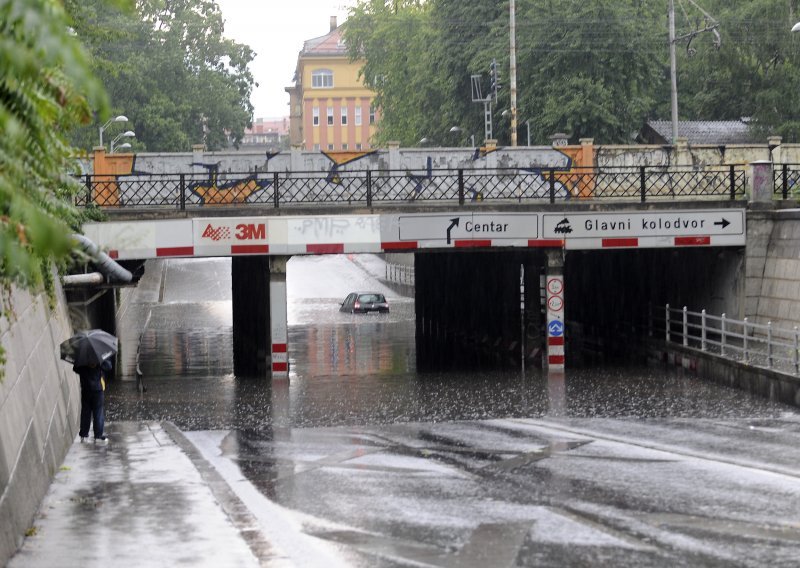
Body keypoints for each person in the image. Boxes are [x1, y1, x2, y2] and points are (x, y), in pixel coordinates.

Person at [73, 358, 112, 444]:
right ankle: (98, 436)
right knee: (98, 413)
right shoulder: (100, 356)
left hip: (86, 389)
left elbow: (75, 368)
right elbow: (108, 366)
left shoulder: (83, 357)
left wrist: (85, 365)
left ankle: (83, 435)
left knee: (85, 413)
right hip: (98, 389)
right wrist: (100, 362)